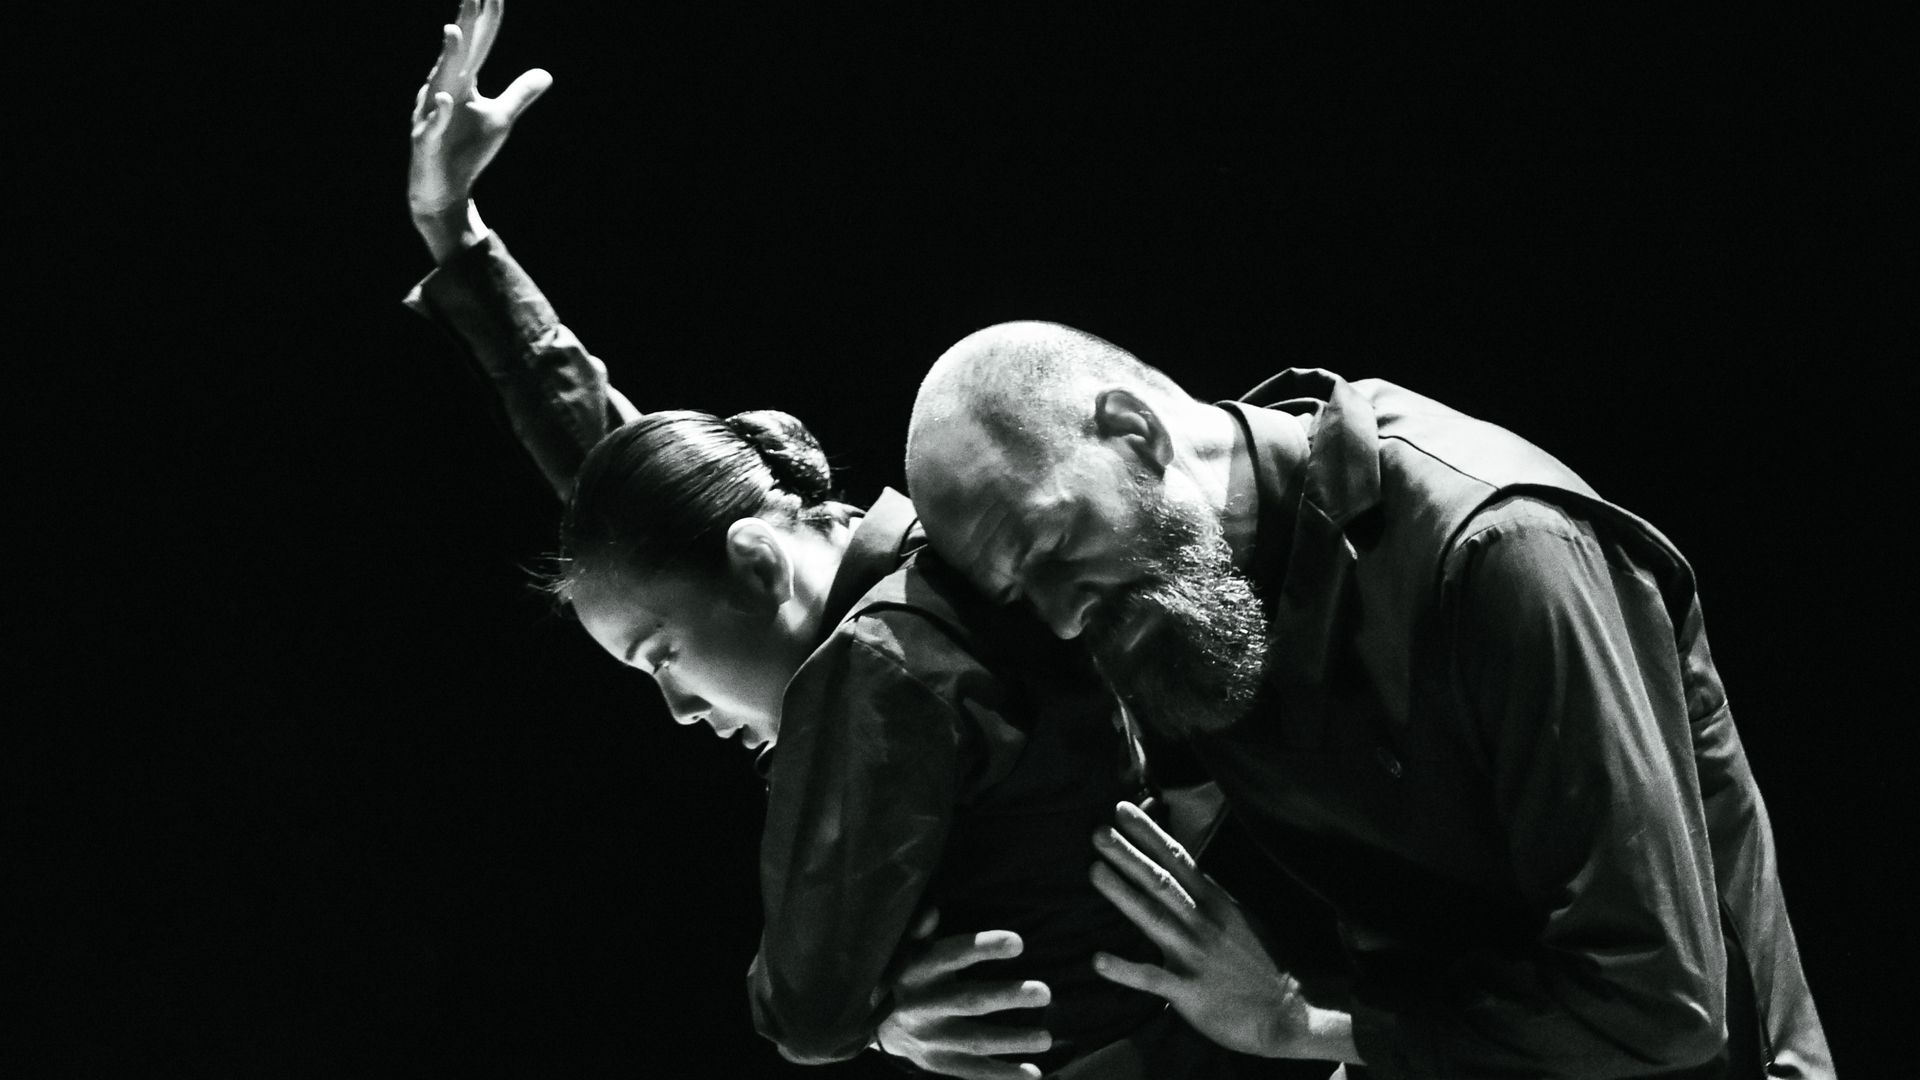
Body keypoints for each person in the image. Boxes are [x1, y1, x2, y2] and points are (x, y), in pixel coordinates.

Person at [400, 6, 1279, 1077]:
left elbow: (804, 1011)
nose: (677, 707)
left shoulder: (877, 667)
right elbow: (637, 506)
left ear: (759, 558)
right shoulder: (940, 566)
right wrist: (456, 234)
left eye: (661, 654)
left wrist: (867, 1005)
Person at [901, 321, 1836, 1078]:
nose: (1062, 620)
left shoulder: (1504, 552)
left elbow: (1661, 1007)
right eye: (1022, 593)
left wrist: (1302, 1023)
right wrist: (893, 1015)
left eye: (1051, 545)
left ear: (1135, 432)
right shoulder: (1162, 592)